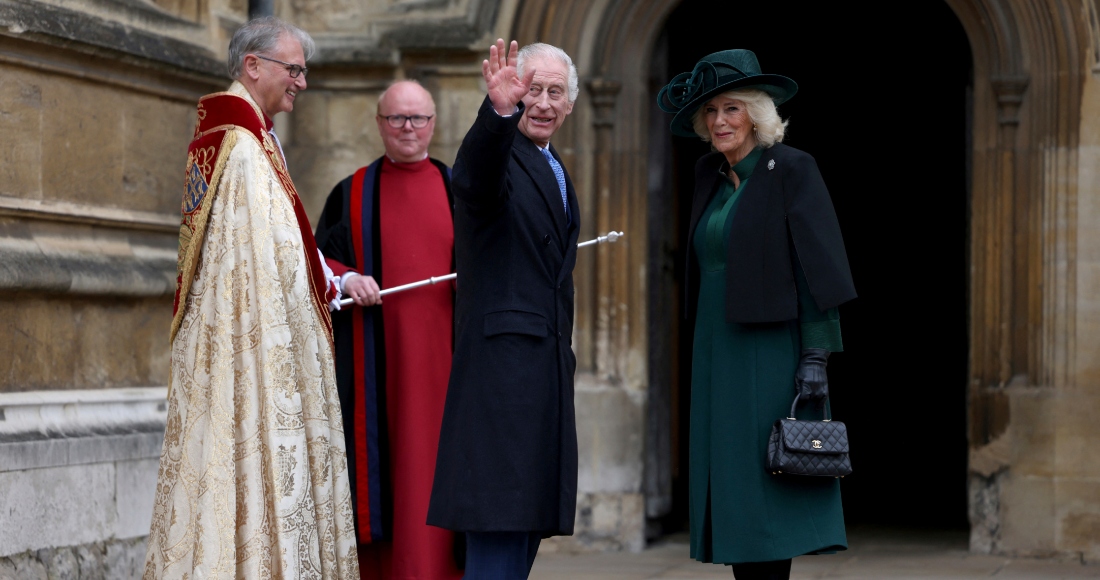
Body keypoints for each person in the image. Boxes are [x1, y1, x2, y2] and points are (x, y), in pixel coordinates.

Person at [144, 16, 358, 580]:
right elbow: (253, 272)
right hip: (253, 352)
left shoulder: (251, 139)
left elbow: (282, 246)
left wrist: (332, 283)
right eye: (294, 70)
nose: (302, 82)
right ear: (253, 65)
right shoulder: (240, 149)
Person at [657, 49, 857, 580]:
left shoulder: (791, 168)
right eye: (710, 111)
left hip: (769, 352)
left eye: (732, 108)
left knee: (768, 487)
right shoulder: (708, 174)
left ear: (757, 114)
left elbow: (817, 267)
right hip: (715, 349)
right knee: (733, 486)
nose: (719, 121)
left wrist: (816, 354)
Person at [426, 39, 580, 579]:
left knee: (521, 537)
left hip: (542, 378)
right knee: (497, 537)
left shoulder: (552, 164)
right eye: (532, 90)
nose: (542, 103)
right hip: (502, 381)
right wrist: (497, 113)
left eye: (555, 93)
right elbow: (474, 179)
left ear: (570, 104)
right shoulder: (501, 152)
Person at [313, 80, 463, 580]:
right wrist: (348, 277)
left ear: (433, 124)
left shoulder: (461, 191)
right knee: (388, 475)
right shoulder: (351, 194)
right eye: (396, 118)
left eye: (418, 118)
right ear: (379, 124)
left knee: (438, 472)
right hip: (375, 370)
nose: (408, 128)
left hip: (447, 370)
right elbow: (316, 263)